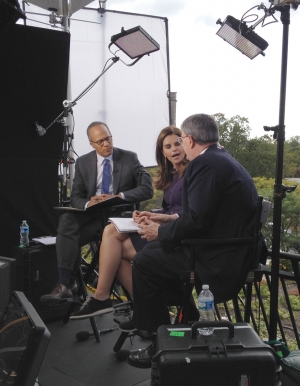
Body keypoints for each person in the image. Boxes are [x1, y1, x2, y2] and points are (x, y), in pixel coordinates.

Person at [124, 113, 258, 369]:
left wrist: (159, 233)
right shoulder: (222, 159)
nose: (181, 145)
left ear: (192, 140)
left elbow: (196, 220)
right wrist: (164, 226)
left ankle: (157, 342)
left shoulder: (204, 164)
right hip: (226, 248)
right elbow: (201, 216)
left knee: (144, 261)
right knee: (154, 252)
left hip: (217, 257)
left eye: (182, 139)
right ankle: (185, 319)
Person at [69, 125, 188, 319]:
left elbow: (182, 212)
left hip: (172, 231)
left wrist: (120, 197)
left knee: (113, 249)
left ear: (187, 143)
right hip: (154, 221)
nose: (174, 149)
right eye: (168, 147)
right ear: (163, 153)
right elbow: (169, 208)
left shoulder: (191, 172)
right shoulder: (173, 175)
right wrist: (148, 213)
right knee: (110, 236)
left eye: (177, 144)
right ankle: (147, 308)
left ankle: (128, 304)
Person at [40, 121, 154, 304]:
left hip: (118, 215)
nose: (106, 144)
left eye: (108, 139)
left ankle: (72, 285)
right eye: (100, 141)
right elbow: (75, 196)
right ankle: (64, 284)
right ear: (91, 144)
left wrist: (119, 195)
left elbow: (147, 190)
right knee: (67, 221)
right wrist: (88, 202)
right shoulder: (83, 162)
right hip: (94, 213)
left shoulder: (129, 158)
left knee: (69, 237)